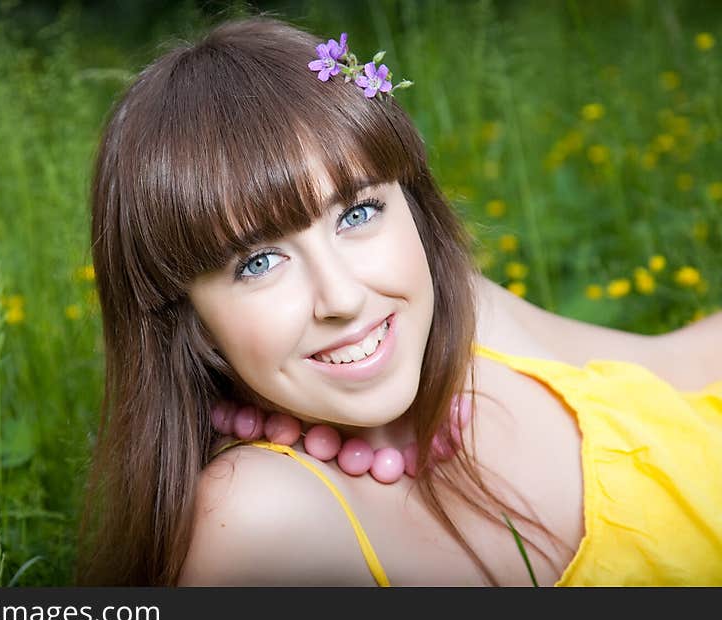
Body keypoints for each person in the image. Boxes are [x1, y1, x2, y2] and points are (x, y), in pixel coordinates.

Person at [75, 14, 722, 586]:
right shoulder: (258, 519)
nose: (344, 296)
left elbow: (683, 366)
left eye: (357, 213)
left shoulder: (463, 311)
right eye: (259, 262)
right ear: (194, 324)